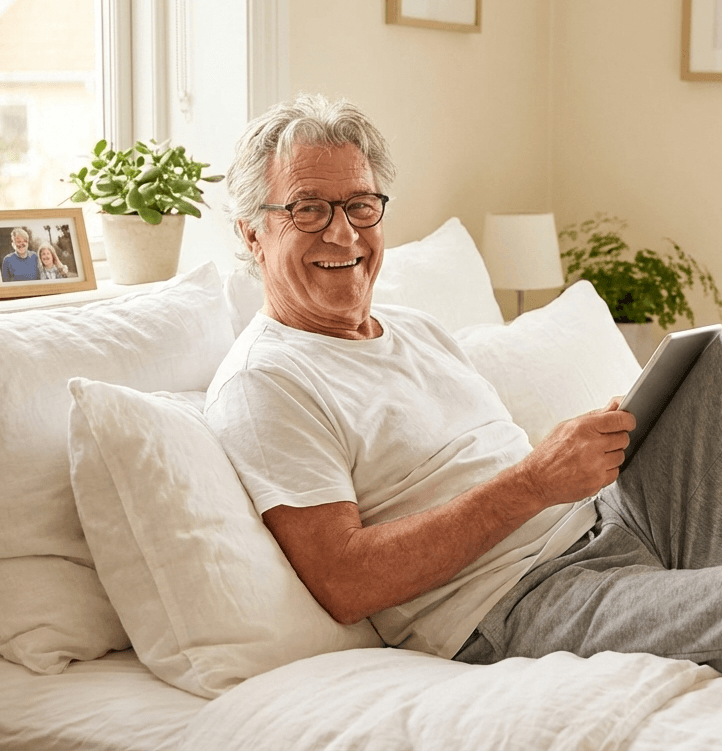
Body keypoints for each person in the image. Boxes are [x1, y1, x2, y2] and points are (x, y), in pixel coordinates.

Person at [206, 93, 722, 671]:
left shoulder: (416, 328)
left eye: (359, 205)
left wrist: (599, 446)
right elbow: (345, 582)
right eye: (308, 210)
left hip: (607, 521)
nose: (344, 235)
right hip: (520, 599)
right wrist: (537, 480)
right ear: (252, 234)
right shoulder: (265, 382)